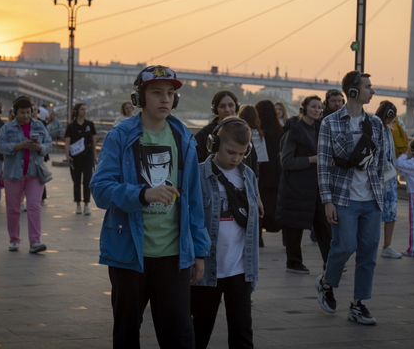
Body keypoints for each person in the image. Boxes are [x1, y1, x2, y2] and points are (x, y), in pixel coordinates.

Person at [91, 65, 210, 349]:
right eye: (157, 93)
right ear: (140, 98)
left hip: (174, 255)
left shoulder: (184, 139)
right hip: (129, 254)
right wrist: (143, 194)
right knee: (126, 331)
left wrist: (200, 251)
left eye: (170, 93)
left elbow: (193, 200)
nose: (165, 99)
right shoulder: (121, 137)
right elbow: (100, 190)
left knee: (179, 335)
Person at [316, 70, 385, 325]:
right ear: (353, 91)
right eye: (368, 86)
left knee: (368, 253)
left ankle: (359, 304)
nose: (372, 91)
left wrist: (382, 197)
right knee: (344, 246)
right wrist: (327, 200)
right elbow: (323, 165)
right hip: (343, 198)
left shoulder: (375, 124)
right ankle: (326, 282)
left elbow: (380, 163)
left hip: (371, 200)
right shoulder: (330, 123)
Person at [191, 117, 261, 349]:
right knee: (198, 330)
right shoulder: (199, 174)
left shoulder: (248, 175)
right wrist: (196, 257)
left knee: (242, 332)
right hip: (207, 269)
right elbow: (194, 219)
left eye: (242, 154)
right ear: (214, 144)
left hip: (240, 269)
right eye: (231, 152)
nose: (236, 159)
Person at [277, 95, 330, 275]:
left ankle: (330, 261)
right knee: (294, 226)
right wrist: (311, 160)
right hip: (296, 187)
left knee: (324, 224)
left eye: (319, 107)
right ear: (305, 108)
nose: (317, 110)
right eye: (314, 107)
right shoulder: (294, 131)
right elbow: (286, 161)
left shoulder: (320, 129)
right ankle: (293, 262)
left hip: (315, 187)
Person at [0, 96, 53, 253]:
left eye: (28, 112)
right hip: (13, 173)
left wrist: (40, 148)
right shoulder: (7, 128)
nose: (26, 116)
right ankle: (14, 239)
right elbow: (0, 146)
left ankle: (35, 241)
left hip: (35, 172)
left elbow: (49, 144)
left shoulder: (39, 126)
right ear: (15, 113)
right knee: (13, 208)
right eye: (22, 112)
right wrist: (18, 146)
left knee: (34, 206)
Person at [375, 101, 402, 259]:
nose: (391, 117)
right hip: (377, 178)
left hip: (390, 177)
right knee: (375, 214)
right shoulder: (375, 127)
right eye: (389, 113)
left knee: (391, 212)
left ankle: (387, 245)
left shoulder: (390, 130)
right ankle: (372, 244)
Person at [254, 100, 283, 237]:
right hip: (276, 172)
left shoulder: (258, 132)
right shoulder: (280, 130)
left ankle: (259, 236)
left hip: (262, 172)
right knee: (272, 203)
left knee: (259, 204)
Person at [64, 102, 97, 215]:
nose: (84, 111)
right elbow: (67, 141)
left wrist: (95, 156)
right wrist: (67, 155)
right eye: (82, 109)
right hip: (75, 157)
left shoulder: (90, 124)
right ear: (77, 111)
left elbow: (93, 141)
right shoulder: (71, 126)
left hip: (87, 157)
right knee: (76, 181)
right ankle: (78, 203)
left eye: (85, 109)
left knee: (87, 181)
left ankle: (87, 204)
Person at [195, 90, 239, 163]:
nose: (227, 109)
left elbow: (252, 160)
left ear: (236, 107)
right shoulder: (204, 134)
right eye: (222, 106)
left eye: (231, 105)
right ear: (215, 110)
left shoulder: (244, 131)